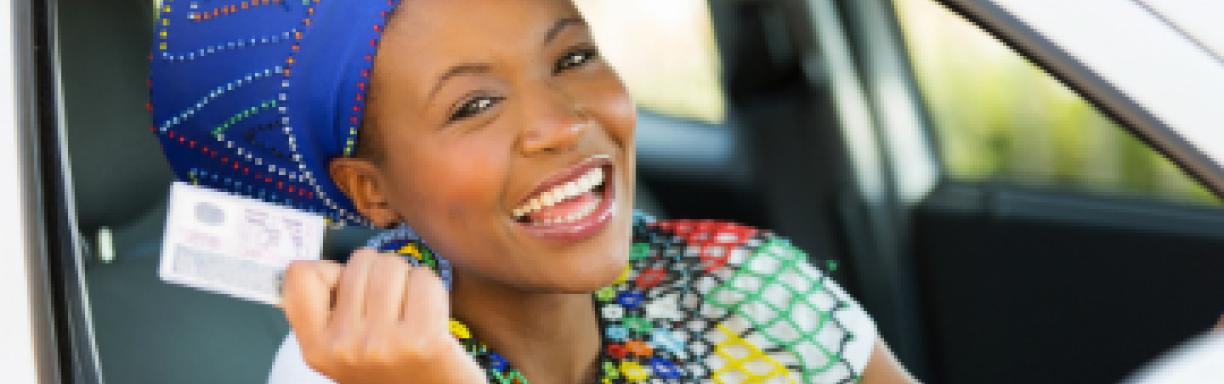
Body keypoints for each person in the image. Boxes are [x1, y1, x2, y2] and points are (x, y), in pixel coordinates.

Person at [149, 0, 915, 382]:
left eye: (573, 57)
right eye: (473, 106)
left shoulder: (744, 282)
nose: (560, 123)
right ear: (370, 191)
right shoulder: (349, 365)